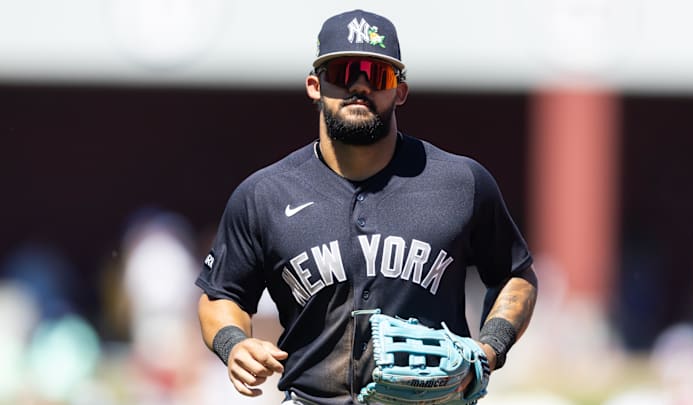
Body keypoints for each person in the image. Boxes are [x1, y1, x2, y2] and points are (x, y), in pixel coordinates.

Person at [195, 9, 538, 405]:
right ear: (314, 85)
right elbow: (221, 295)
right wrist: (233, 343)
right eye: (342, 73)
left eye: (377, 75)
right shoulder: (264, 195)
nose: (359, 86)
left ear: (400, 91)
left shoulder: (460, 182)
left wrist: (489, 349)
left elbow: (516, 275)